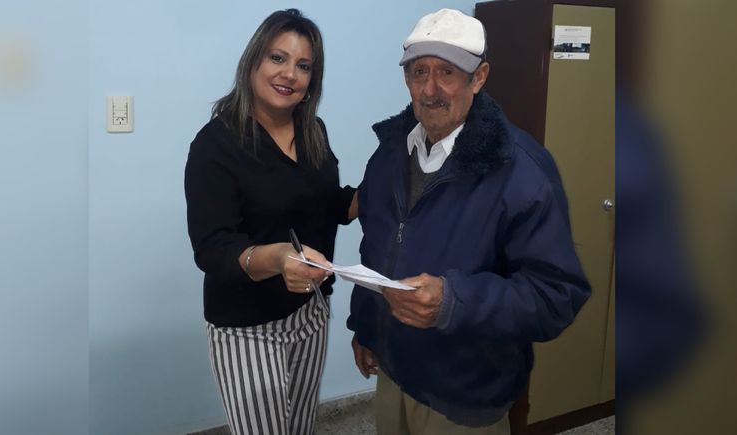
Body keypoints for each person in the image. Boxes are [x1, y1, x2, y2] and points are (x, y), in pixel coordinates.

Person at [347, 9, 591, 434]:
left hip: (465, 395)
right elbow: (377, 248)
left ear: (478, 78)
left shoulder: (522, 171)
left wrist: (453, 301)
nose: (430, 89)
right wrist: (367, 328)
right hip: (393, 372)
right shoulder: (388, 154)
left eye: (447, 71)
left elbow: (556, 296)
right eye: (419, 72)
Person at [184, 9, 357, 435]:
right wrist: (279, 257)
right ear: (253, 62)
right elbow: (213, 248)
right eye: (278, 58)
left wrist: (379, 191)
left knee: (300, 428)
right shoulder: (216, 145)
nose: (290, 74)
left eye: (304, 66)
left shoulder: (313, 130)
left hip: (311, 312)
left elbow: (328, 204)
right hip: (246, 326)